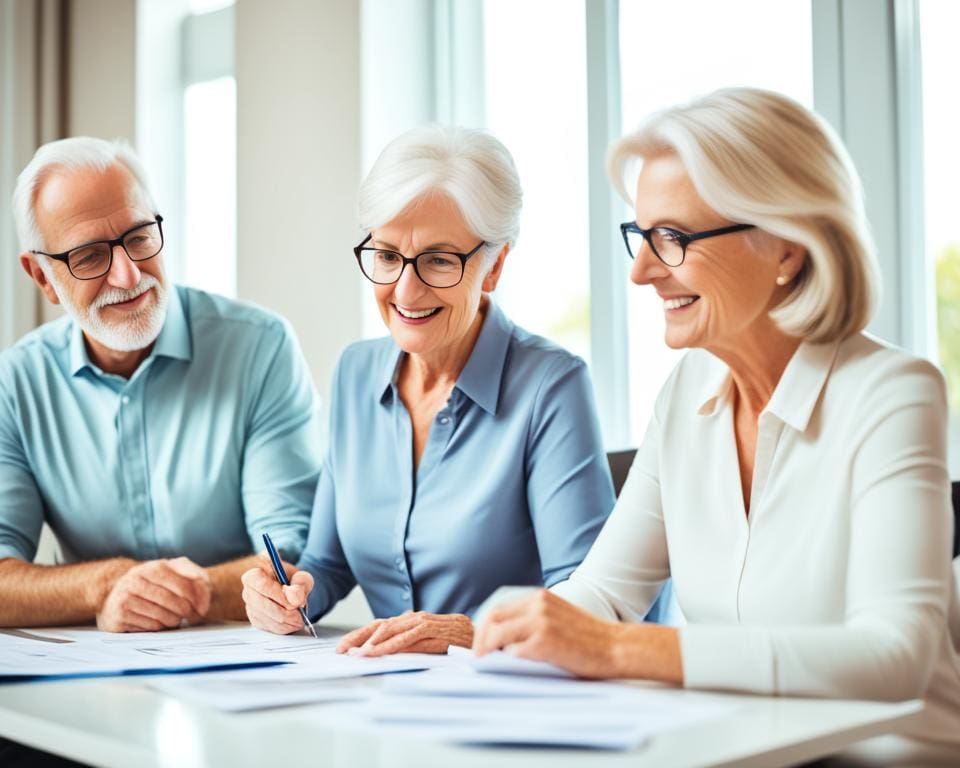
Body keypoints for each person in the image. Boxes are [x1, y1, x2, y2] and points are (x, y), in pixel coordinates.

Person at [473, 88, 960, 765]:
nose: (642, 270)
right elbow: (604, 594)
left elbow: (893, 657)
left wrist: (621, 650)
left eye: (673, 238)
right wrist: (488, 634)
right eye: (641, 236)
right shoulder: (687, 394)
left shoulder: (892, 394)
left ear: (787, 247)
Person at [241, 125, 615, 655]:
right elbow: (327, 564)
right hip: (390, 693)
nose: (406, 290)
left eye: (439, 260)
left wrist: (468, 633)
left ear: (494, 266)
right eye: (388, 256)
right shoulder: (355, 372)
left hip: (512, 698)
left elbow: (583, 596)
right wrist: (289, 595)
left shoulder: (552, 386)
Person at [0, 137, 321, 632]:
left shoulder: (261, 347)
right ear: (41, 276)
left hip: (244, 670)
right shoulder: (17, 383)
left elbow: (290, 557)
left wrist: (171, 594)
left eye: (139, 237)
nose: (128, 275)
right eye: (88, 257)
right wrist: (104, 585)